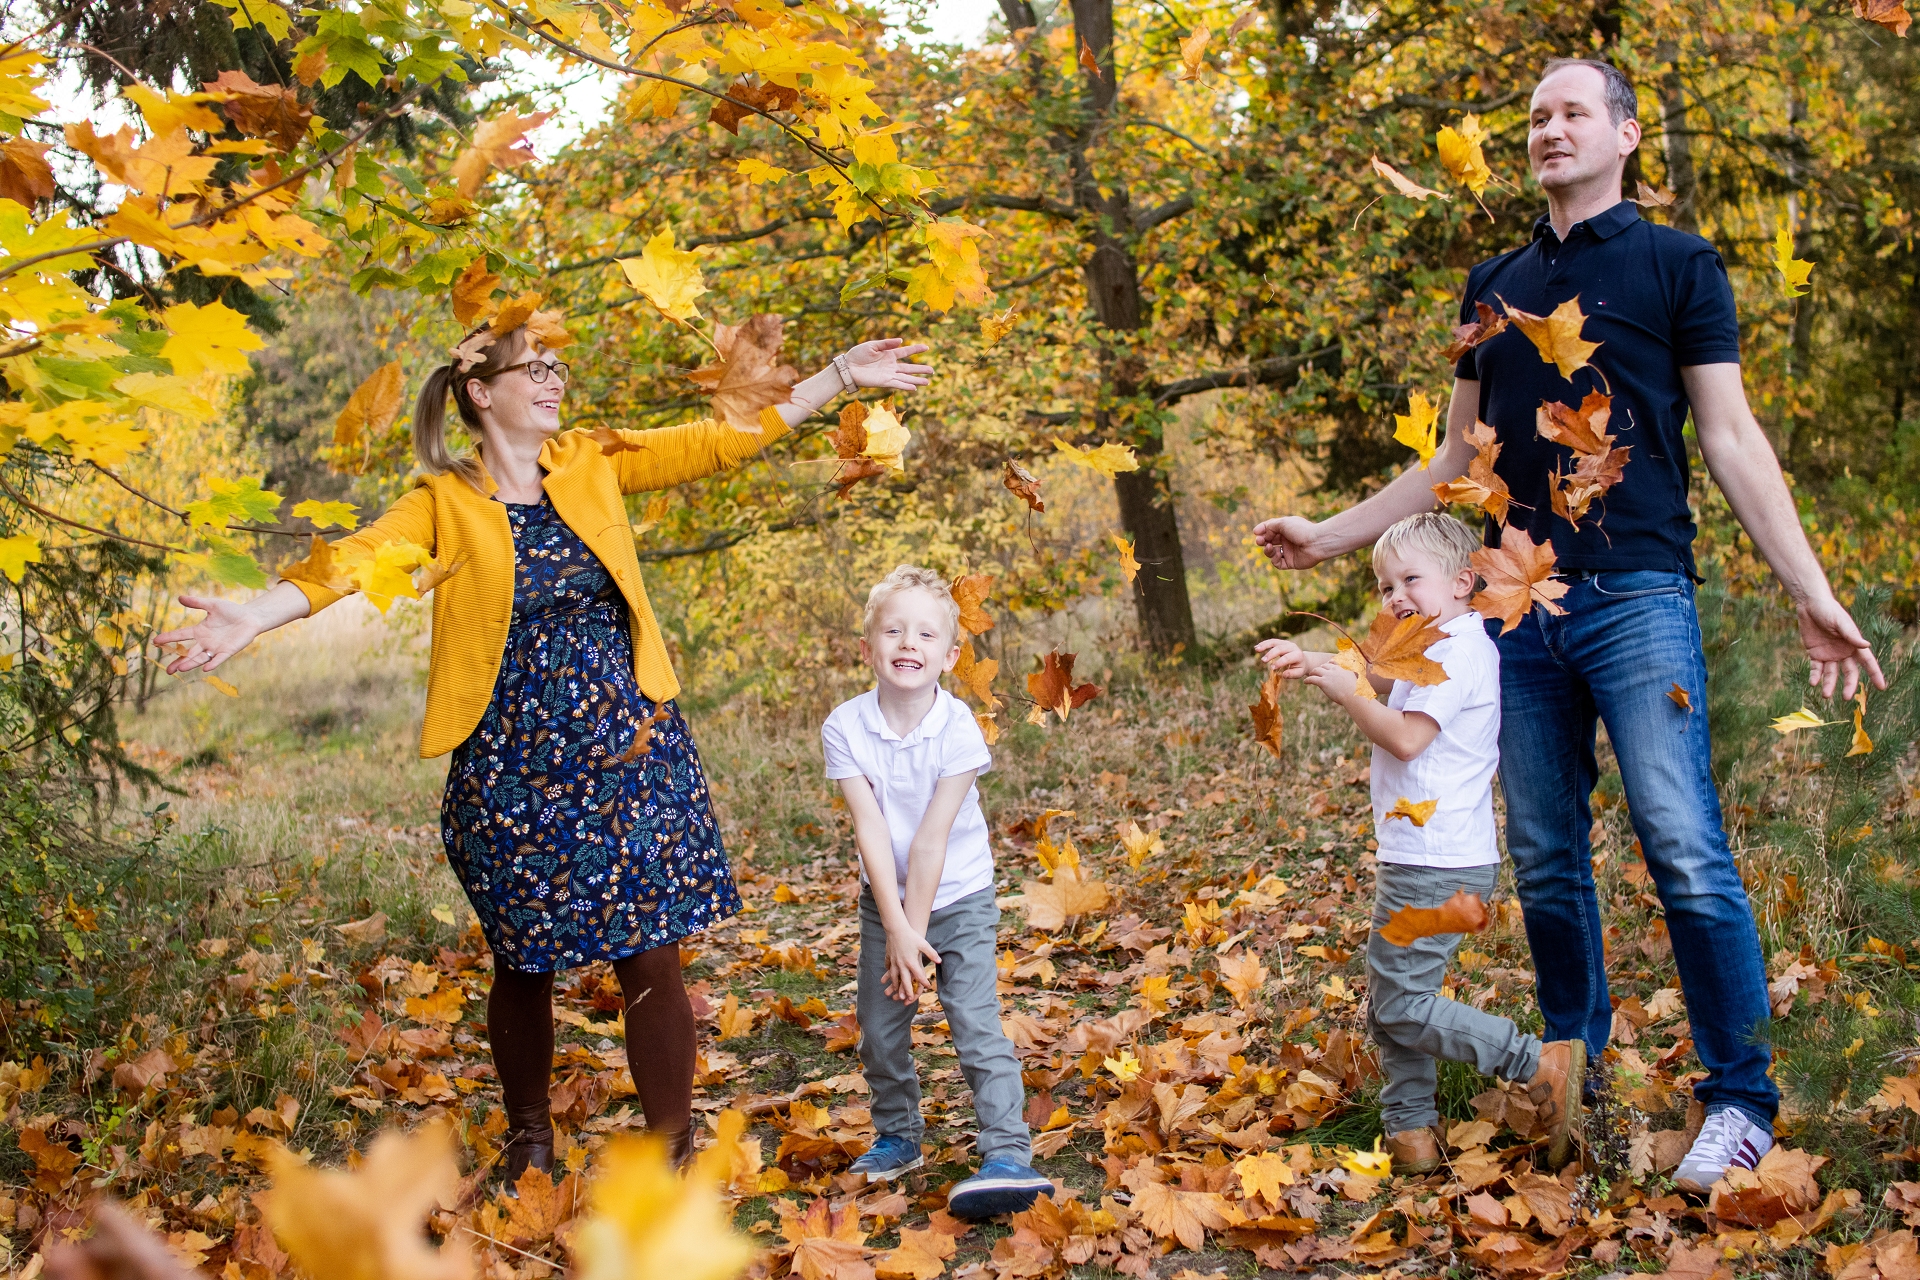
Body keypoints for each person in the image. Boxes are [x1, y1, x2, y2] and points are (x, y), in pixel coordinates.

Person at [1252, 57, 1885, 1191]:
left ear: (1626, 134)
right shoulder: (1490, 284)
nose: (1549, 129)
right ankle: (1568, 1076)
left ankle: (1739, 1095)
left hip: (1638, 591)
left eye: (1573, 112)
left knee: (1680, 842)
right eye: (1537, 116)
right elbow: (1453, 459)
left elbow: (1732, 437)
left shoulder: (1679, 263)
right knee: (1548, 860)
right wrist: (1332, 535)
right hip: (1511, 609)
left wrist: (1811, 586)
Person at [155, 321, 933, 1178]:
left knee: (651, 942)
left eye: (557, 366)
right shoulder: (443, 501)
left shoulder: (592, 459)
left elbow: (722, 440)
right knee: (523, 955)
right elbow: (355, 561)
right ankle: (531, 1140)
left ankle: (670, 1148)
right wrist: (254, 617)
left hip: (629, 742)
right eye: (536, 370)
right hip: (510, 758)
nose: (556, 380)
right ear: (482, 393)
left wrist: (836, 375)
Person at [1257, 513, 1582, 1171]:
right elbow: (1375, 675)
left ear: (1462, 582)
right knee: (1393, 1003)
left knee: (1402, 1004)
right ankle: (1411, 1133)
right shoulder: (1429, 644)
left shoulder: (1460, 650)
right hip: (1420, 857)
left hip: (1440, 863)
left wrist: (1342, 688)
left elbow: (1405, 734)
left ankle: (1536, 1064)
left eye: (1411, 578)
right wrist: (1314, 662)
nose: (1395, 595)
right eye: (1384, 586)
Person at [821, 566, 1052, 1218]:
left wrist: (913, 937)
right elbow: (871, 831)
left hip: (961, 898)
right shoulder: (845, 726)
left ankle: (1008, 1150)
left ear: (950, 656)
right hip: (882, 906)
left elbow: (929, 842)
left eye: (925, 633)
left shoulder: (958, 729)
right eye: (893, 630)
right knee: (879, 1030)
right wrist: (895, 930)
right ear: (867, 648)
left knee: (975, 1024)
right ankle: (899, 1136)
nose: (908, 642)